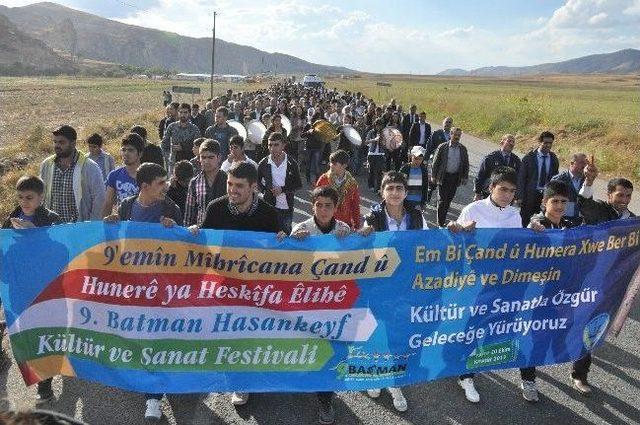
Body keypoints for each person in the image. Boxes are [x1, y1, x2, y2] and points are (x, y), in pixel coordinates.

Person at [195, 162, 282, 407]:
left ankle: (251, 375)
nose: (232, 190)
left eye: (239, 186)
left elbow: (281, 254)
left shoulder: (268, 214)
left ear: (253, 187)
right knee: (231, 334)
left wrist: (285, 240)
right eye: (229, 184)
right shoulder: (216, 208)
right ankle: (239, 381)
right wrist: (191, 233)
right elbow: (203, 243)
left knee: (252, 334)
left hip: (256, 289)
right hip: (225, 286)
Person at [103, 162, 182, 422]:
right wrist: (111, 224)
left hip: (162, 289)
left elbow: (186, 251)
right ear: (144, 186)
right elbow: (114, 246)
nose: (166, 187)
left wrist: (177, 231)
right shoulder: (126, 207)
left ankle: (153, 398)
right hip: (133, 286)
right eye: (161, 183)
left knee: (155, 339)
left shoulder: (172, 209)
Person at [447, 166, 521, 403]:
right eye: (503, 189)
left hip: (501, 281)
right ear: (491, 188)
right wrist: (460, 231)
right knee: (470, 324)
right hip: (474, 280)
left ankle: (469, 364)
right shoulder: (473, 209)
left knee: (488, 326)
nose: (507, 195)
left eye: (511, 191)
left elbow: (520, 248)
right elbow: (453, 242)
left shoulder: (515, 215)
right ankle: (464, 374)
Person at [361, 171, 429, 412]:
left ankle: (395, 382)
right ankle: (376, 375)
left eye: (399, 188)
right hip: (379, 284)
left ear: (406, 192)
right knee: (377, 331)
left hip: (406, 284)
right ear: (382, 192)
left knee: (398, 333)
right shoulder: (372, 216)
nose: (395, 192)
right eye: (389, 188)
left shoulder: (417, 216)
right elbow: (363, 249)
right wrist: (364, 234)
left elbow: (430, 243)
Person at [289, 185, 352, 425]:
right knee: (305, 347)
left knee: (330, 351)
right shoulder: (302, 229)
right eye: (319, 205)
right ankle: (303, 381)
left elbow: (359, 260)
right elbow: (285, 264)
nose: (323, 210)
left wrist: (358, 239)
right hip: (306, 301)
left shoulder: (344, 230)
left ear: (335, 208)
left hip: (334, 303)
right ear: (312, 206)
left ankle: (325, 399)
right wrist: (293, 243)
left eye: (328, 206)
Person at [571, 160, 635, 394]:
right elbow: (584, 204)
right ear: (609, 195)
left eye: (628, 196)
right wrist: (588, 181)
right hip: (584, 278)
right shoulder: (600, 211)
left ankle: (580, 374)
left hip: (611, 285)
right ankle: (534, 367)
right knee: (562, 321)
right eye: (619, 195)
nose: (624, 200)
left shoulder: (633, 222)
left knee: (592, 326)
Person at [39, 125, 105, 223]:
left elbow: (99, 200)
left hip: (79, 229)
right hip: (53, 229)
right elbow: (40, 195)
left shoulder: (89, 167)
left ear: (73, 143)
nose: (57, 146)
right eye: (55, 142)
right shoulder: (47, 165)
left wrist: (92, 226)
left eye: (61, 142)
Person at [257, 132, 302, 234]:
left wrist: (282, 189)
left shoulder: (291, 163)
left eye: (276, 145)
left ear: (283, 145)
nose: (272, 148)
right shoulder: (263, 163)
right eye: (270, 145)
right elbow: (257, 181)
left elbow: (298, 184)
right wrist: (265, 190)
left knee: (285, 237)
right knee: (269, 235)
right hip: (269, 207)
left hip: (286, 208)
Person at [517, 131, 559, 226]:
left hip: (545, 196)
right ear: (539, 142)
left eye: (550, 143)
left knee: (543, 221)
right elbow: (521, 178)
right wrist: (519, 197)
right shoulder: (529, 158)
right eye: (545, 143)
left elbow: (555, 178)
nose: (548, 145)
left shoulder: (553, 158)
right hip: (530, 196)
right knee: (526, 221)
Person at [431, 127, 469, 227]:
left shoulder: (463, 149)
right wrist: (433, 176)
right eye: (455, 134)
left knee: (448, 200)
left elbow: (466, 164)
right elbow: (435, 162)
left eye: (459, 135)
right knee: (442, 200)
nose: (457, 137)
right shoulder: (443, 147)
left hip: (455, 177)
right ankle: (440, 222)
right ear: (451, 134)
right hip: (444, 176)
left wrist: (465, 177)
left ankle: (442, 217)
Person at [184, 139, 227, 226]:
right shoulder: (194, 183)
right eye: (203, 157)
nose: (206, 161)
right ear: (199, 159)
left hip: (224, 233)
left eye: (211, 157)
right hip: (202, 233)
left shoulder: (229, 180)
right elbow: (189, 215)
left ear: (219, 158)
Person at [315, 150, 361, 230]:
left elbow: (355, 205)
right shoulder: (324, 179)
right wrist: (317, 224)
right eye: (330, 162)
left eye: (334, 164)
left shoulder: (352, 183)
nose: (331, 165)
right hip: (326, 224)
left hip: (345, 225)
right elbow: (316, 203)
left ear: (344, 165)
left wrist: (357, 225)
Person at [102, 133, 144, 217]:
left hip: (143, 223)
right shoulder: (114, 175)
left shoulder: (149, 175)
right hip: (122, 223)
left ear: (140, 153)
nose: (126, 153)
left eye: (131, 150)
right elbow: (108, 203)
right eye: (124, 150)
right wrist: (104, 226)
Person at [474, 134, 521, 200]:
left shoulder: (516, 161)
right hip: (490, 193)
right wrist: (477, 193)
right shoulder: (491, 158)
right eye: (509, 141)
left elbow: (519, 179)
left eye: (513, 142)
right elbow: (481, 175)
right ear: (502, 142)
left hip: (507, 195)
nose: (511, 144)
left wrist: (517, 196)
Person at [550, 153, 587, 226]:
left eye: (586, 164)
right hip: (562, 222)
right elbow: (549, 202)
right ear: (572, 163)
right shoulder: (559, 179)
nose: (584, 166)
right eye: (581, 163)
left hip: (579, 223)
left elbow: (589, 202)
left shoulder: (586, 181)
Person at [162, 103, 201, 171]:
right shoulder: (172, 127)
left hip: (189, 163)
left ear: (189, 113)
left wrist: (183, 147)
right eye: (181, 112)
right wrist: (168, 155)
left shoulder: (195, 129)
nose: (183, 115)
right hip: (174, 163)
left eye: (185, 112)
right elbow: (164, 143)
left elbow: (198, 147)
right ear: (178, 113)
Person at [399, 145, 429, 211]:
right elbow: (399, 184)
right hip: (405, 201)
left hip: (417, 202)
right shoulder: (405, 168)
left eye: (420, 159)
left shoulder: (423, 171)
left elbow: (425, 187)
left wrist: (423, 203)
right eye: (415, 158)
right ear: (411, 156)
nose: (417, 161)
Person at [365, 118, 387, 193]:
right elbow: (366, 142)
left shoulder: (384, 133)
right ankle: (371, 186)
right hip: (372, 154)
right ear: (375, 125)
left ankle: (378, 188)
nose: (378, 127)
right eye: (377, 125)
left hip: (380, 154)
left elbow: (386, 144)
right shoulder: (371, 132)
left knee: (379, 172)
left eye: (380, 125)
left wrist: (382, 140)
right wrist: (374, 139)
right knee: (371, 171)